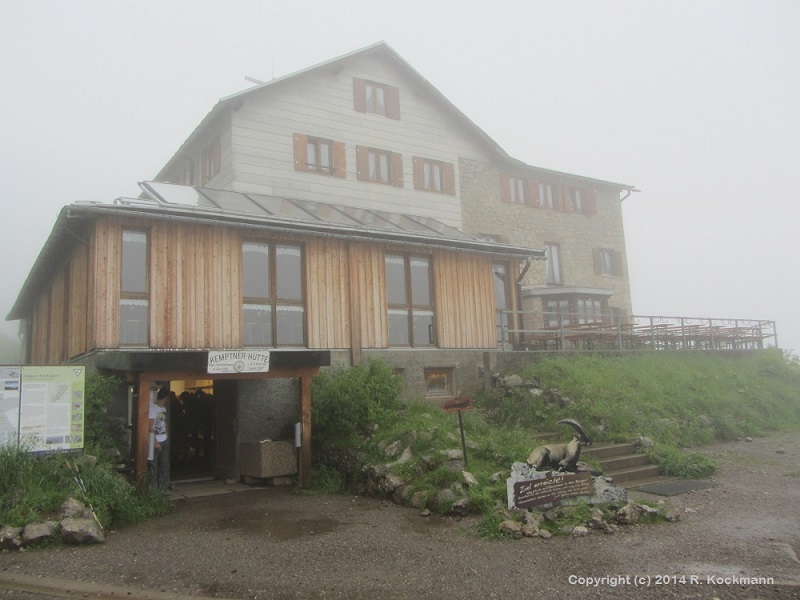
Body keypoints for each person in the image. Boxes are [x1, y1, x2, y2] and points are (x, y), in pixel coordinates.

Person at [149, 388, 170, 490]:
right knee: (153, 467)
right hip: (156, 441)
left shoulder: (163, 409)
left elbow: (164, 424)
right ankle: (153, 490)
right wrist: (155, 442)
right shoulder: (152, 408)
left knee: (164, 466)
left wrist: (167, 436)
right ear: (166, 398)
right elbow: (150, 426)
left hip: (164, 439)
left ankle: (163, 489)